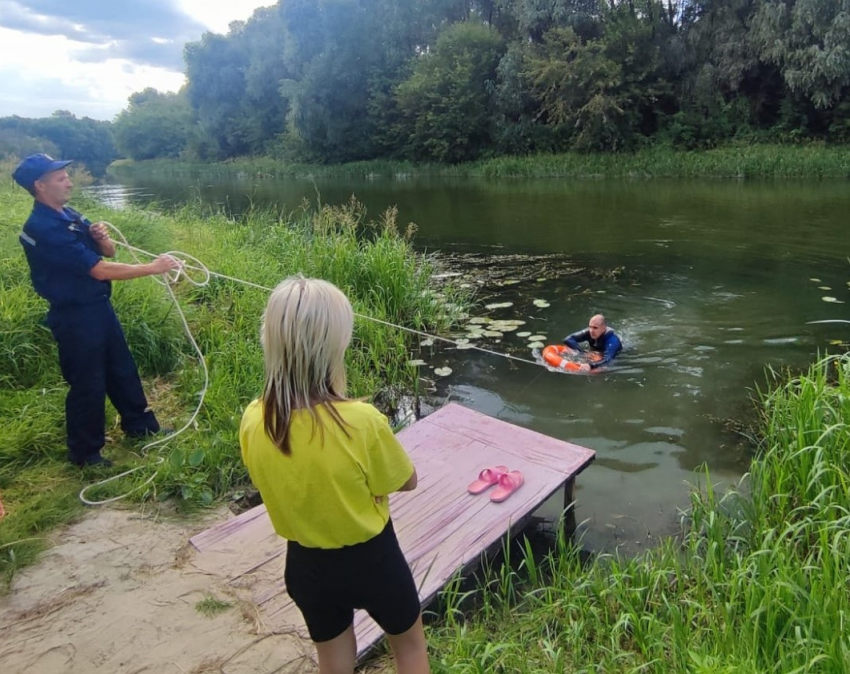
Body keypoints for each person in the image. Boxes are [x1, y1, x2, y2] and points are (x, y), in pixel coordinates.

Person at [239, 276, 430, 674]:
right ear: (334, 346)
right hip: (374, 561)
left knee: (333, 657)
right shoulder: (361, 421)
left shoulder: (256, 417)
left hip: (306, 566)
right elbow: (405, 480)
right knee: (409, 647)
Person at [13, 153, 183, 467]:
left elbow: (108, 252)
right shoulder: (41, 227)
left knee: (121, 367)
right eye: (60, 178)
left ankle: (140, 427)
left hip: (98, 307)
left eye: (66, 175)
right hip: (74, 315)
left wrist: (101, 238)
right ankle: (85, 454)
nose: (69, 181)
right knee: (88, 382)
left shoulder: (70, 215)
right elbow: (99, 270)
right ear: (39, 185)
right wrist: (152, 267)